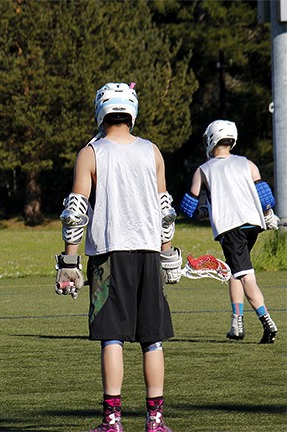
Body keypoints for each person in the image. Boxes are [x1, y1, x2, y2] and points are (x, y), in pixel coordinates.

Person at [55, 83, 180, 432]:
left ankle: (113, 421)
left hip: (109, 255)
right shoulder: (152, 151)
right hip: (148, 253)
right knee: (151, 338)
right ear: (132, 111)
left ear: (101, 111)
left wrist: (69, 261)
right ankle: (155, 421)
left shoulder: (90, 153)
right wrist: (168, 253)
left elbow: (76, 211)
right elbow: (164, 211)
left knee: (113, 337)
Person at [180, 120, 279, 344]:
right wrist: (269, 215)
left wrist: (204, 212)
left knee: (246, 276)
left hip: (230, 228)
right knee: (237, 270)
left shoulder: (203, 169)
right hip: (252, 226)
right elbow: (265, 198)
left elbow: (189, 207)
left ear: (211, 139)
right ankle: (236, 324)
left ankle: (267, 321)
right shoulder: (248, 163)